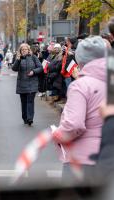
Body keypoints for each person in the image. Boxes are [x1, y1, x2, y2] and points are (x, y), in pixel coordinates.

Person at [52, 36, 107, 184]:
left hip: (82, 160)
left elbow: (74, 125)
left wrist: (58, 135)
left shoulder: (81, 86)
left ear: (80, 59)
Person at [12, 43, 43, 126]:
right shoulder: (18, 58)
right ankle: (25, 118)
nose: (24, 51)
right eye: (22, 50)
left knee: (30, 101)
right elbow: (14, 69)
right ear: (20, 51)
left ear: (28, 50)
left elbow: (40, 67)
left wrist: (34, 71)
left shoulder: (33, 57)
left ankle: (30, 119)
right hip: (22, 83)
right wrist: (18, 59)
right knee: (24, 102)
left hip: (32, 83)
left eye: (25, 49)